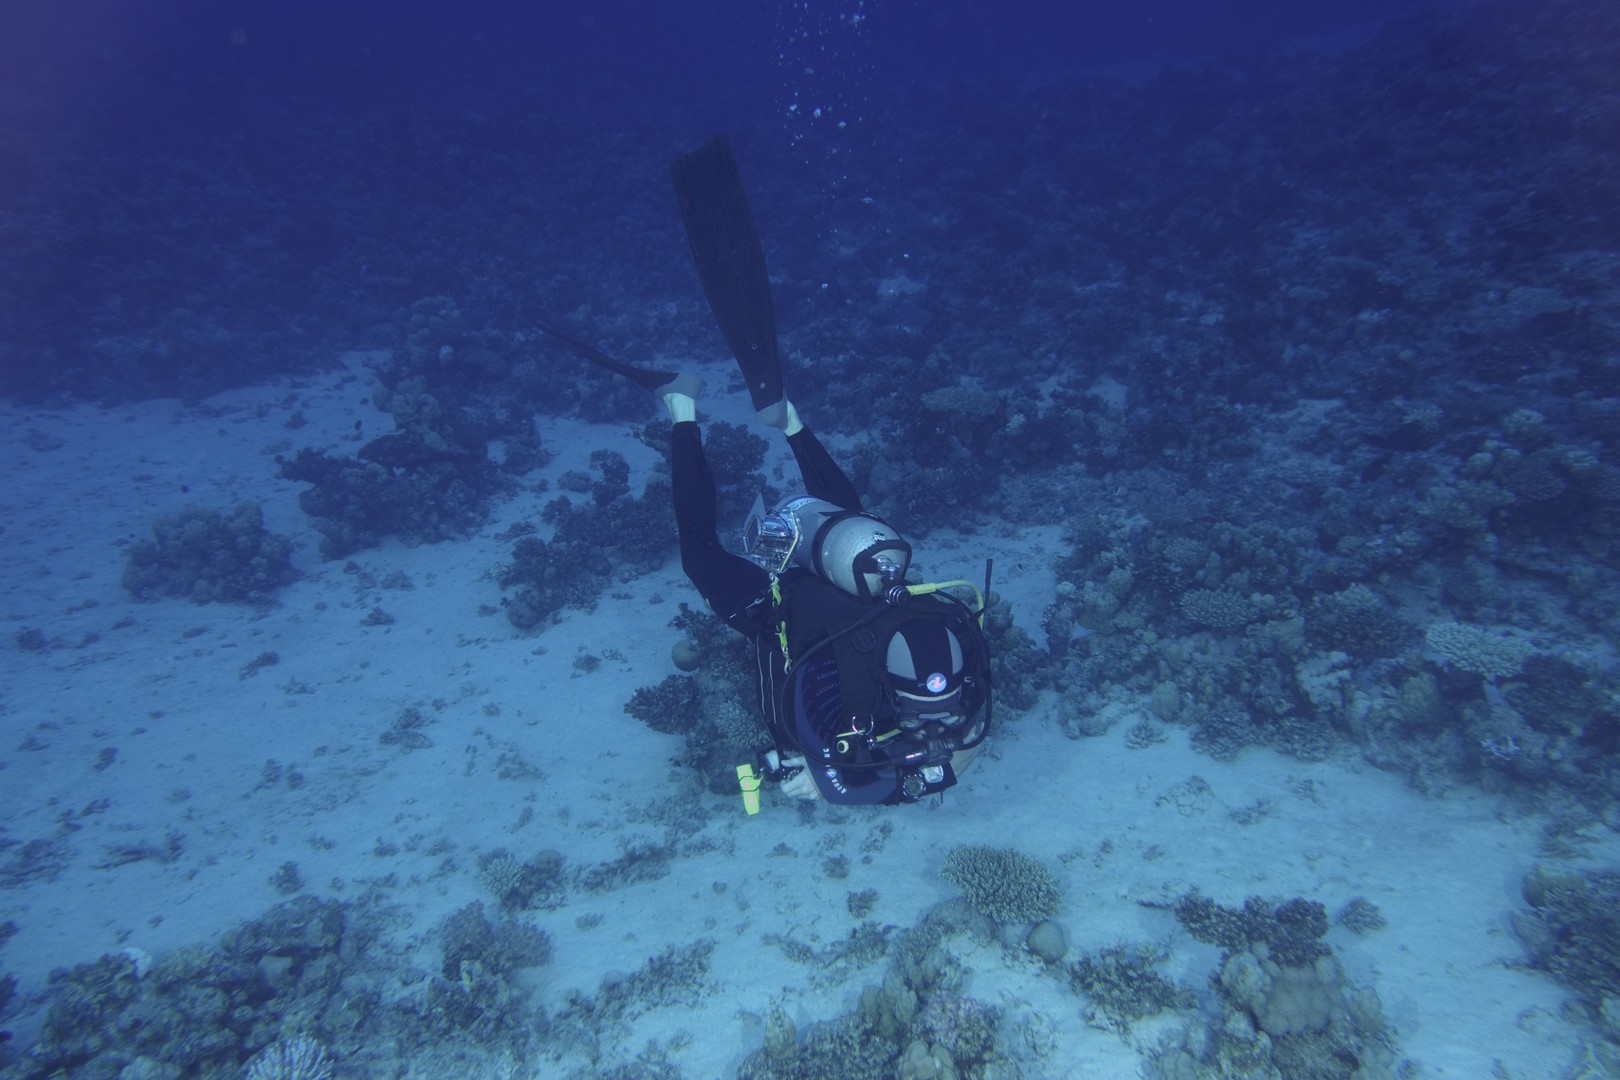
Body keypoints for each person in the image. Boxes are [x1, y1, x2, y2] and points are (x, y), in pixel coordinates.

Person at [542, 134, 991, 807]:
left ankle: (788, 421)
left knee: (852, 520)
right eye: (936, 721)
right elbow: (842, 780)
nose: (938, 730)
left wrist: (926, 764)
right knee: (701, 552)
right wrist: (894, 775)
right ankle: (682, 408)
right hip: (782, 610)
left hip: (866, 577)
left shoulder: (951, 635)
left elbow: (963, 742)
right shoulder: (853, 699)